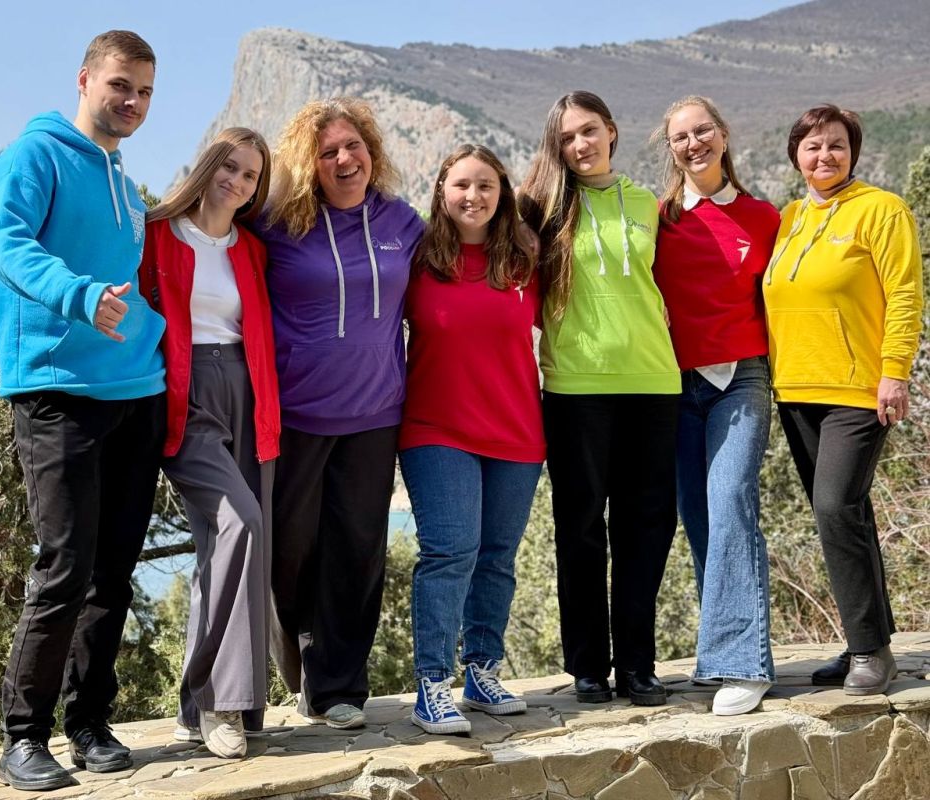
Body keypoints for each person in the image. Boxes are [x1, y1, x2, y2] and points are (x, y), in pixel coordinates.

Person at [0, 31, 165, 791]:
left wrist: (150, 337)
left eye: (145, 91)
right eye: (121, 85)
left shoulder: (125, 180)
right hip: (56, 391)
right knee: (65, 567)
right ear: (86, 79)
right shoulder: (35, 156)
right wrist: (78, 296)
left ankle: (89, 723)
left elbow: (132, 280)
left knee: (113, 572)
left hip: (135, 394)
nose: (132, 101)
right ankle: (23, 738)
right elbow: (6, 245)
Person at [254, 98, 424, 729]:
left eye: (354, 146)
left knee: (357, 552)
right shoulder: (278, 225)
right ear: (310, 164)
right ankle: (300, 668)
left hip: (375, 414)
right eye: (328, 152)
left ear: (371, 152)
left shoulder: (403, 222)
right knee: (289, 550)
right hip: (296, 414)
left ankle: (339, 687)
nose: (344, 159)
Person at [518, 91, 681, 707]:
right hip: (575, 387)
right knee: (581, 528)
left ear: (611, 131)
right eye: (566, 138)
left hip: (653, 383)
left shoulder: (647, 204)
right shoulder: (541, 210)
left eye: (588, 131)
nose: (579, 145)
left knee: (645, 528)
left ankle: (639, 665)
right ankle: (588, 665)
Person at [764, 104, 923, 696]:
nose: (824, 155)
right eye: (812, 146)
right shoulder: (789, 218)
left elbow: (904, 293)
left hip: (857, 390)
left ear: (853, 151)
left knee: (835, 507)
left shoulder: (882, 210)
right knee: (845, 512)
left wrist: (894, 373)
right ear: (796, 156)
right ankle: (869, 639)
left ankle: (869, 653)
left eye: (836, 144)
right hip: (795, 387)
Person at [138, 127, 279, 758]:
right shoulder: (157, 233)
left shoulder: (252, 248)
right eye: (229, 167)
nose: (237, 182)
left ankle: (199, 709)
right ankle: (220, 701)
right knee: (238, 522)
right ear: (207, 165)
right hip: (184, 392)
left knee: (234, 547)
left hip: (250, 389)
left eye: (251, 175)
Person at [399, 145, 543, 734]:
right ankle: (432, 684)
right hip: (435, 429)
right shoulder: (416, 258)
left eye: (486, 185)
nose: (473, 196)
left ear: (502, 193)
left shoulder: (526, 260)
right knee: (450, 550)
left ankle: (481, 671)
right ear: (441, 190)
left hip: (517, 431)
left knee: (497, 557)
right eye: (461, 184)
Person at [652, 96, 780, 715]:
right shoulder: (658, 218)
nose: (693, 142)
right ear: (670, 149)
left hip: (742, 377)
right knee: (699, 515)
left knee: (730, 502)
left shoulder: (763, 217)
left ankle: (744, 662)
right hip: (674, 383)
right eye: (681, 136)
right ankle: (722, 651)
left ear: (724, 136)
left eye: (703, 130)